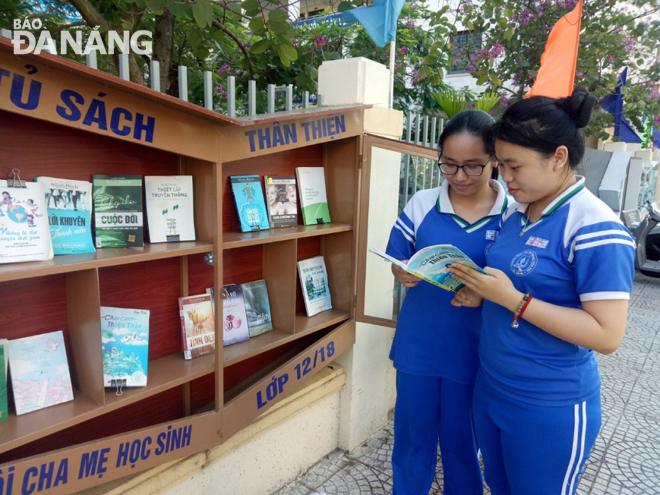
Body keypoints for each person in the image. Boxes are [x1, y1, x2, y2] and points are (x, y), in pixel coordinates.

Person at [448, 88, 636, 495]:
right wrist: (484, 293)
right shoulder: (517, 213)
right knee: (499, 487)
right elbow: (514, 283)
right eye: (500, 165)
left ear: (559, 157)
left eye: (514, 166)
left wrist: (513, 300)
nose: (505, 178)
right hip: (493, 386)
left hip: (549, 404)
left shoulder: (595, 229)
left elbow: (607, 335)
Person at [385, 110, 508, 495]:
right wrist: (401, 272)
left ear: (495, 161)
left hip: (474, 350)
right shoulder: (422, 204)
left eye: (473, 166)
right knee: (412, 439)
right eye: (449, 165)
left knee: (462, 445)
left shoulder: (513, 215)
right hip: (418, 346)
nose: (458, 177)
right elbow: (395, 258)